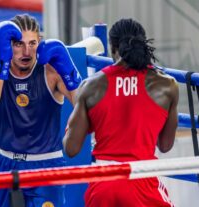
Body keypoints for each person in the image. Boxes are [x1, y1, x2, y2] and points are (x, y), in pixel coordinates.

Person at [63, 18, 178, 207]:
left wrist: (79, 114)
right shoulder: (166, 85)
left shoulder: (91, 86)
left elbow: (71, 148)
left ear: (112, 48)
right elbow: (165, 145)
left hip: (103, 184)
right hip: (143, 181)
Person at [0, 14, 81, 207]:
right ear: (8, 44)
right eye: (18, 44)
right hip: (8, 164)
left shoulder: (51, 72)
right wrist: (1, 64)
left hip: (46, 164)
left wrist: (72, 78)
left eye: (32, 43)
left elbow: (84, 109)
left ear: (40, 42)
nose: (26, 51)